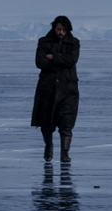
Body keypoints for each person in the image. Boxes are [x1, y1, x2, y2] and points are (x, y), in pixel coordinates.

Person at [31, 15, 79, 162]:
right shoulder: (44, 42)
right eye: (59, 29)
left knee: (66, 122)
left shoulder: (74, 43)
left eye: (64, 30)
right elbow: (40, 62)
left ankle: (64, 152)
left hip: (68, 88)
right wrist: (59, 61)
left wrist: (54, 57)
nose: (61, 32)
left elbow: (72, 60)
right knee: (47, 122)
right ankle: (48, 147)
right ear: (54, 28)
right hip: (48, 87)